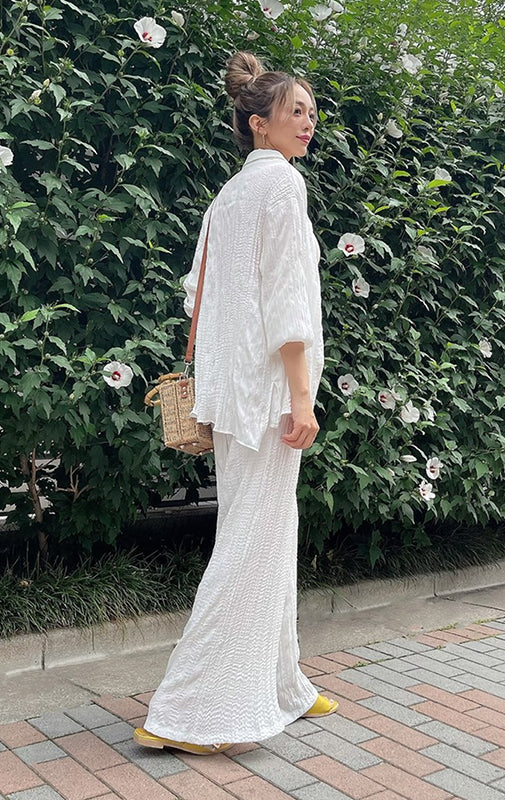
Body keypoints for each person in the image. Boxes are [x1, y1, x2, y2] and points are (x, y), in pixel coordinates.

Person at [134, 51, 338, 756]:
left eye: (311, 111)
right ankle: (189, 713)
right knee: (252, 541)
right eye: (294, 111)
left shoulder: (228, 196)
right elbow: (288, 301)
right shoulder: (282, 185)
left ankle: (282, 683)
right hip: (271, 396)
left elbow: (197, 291)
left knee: (268, 530)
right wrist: (301, 396)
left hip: (232, 396)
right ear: (259, 123)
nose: (308, 122)